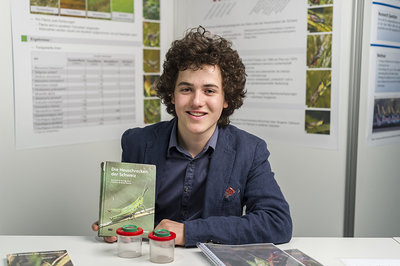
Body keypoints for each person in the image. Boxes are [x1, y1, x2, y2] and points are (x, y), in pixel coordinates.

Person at [93, 26, 292, 247]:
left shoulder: (250, 149)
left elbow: (277, 223)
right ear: (172, 95)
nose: (197, 101)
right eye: (186, 89)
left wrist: (190, 232)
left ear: (226, 98)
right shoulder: (138, 142)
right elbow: (130, 216)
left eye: (209, 90)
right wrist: (117, 225)